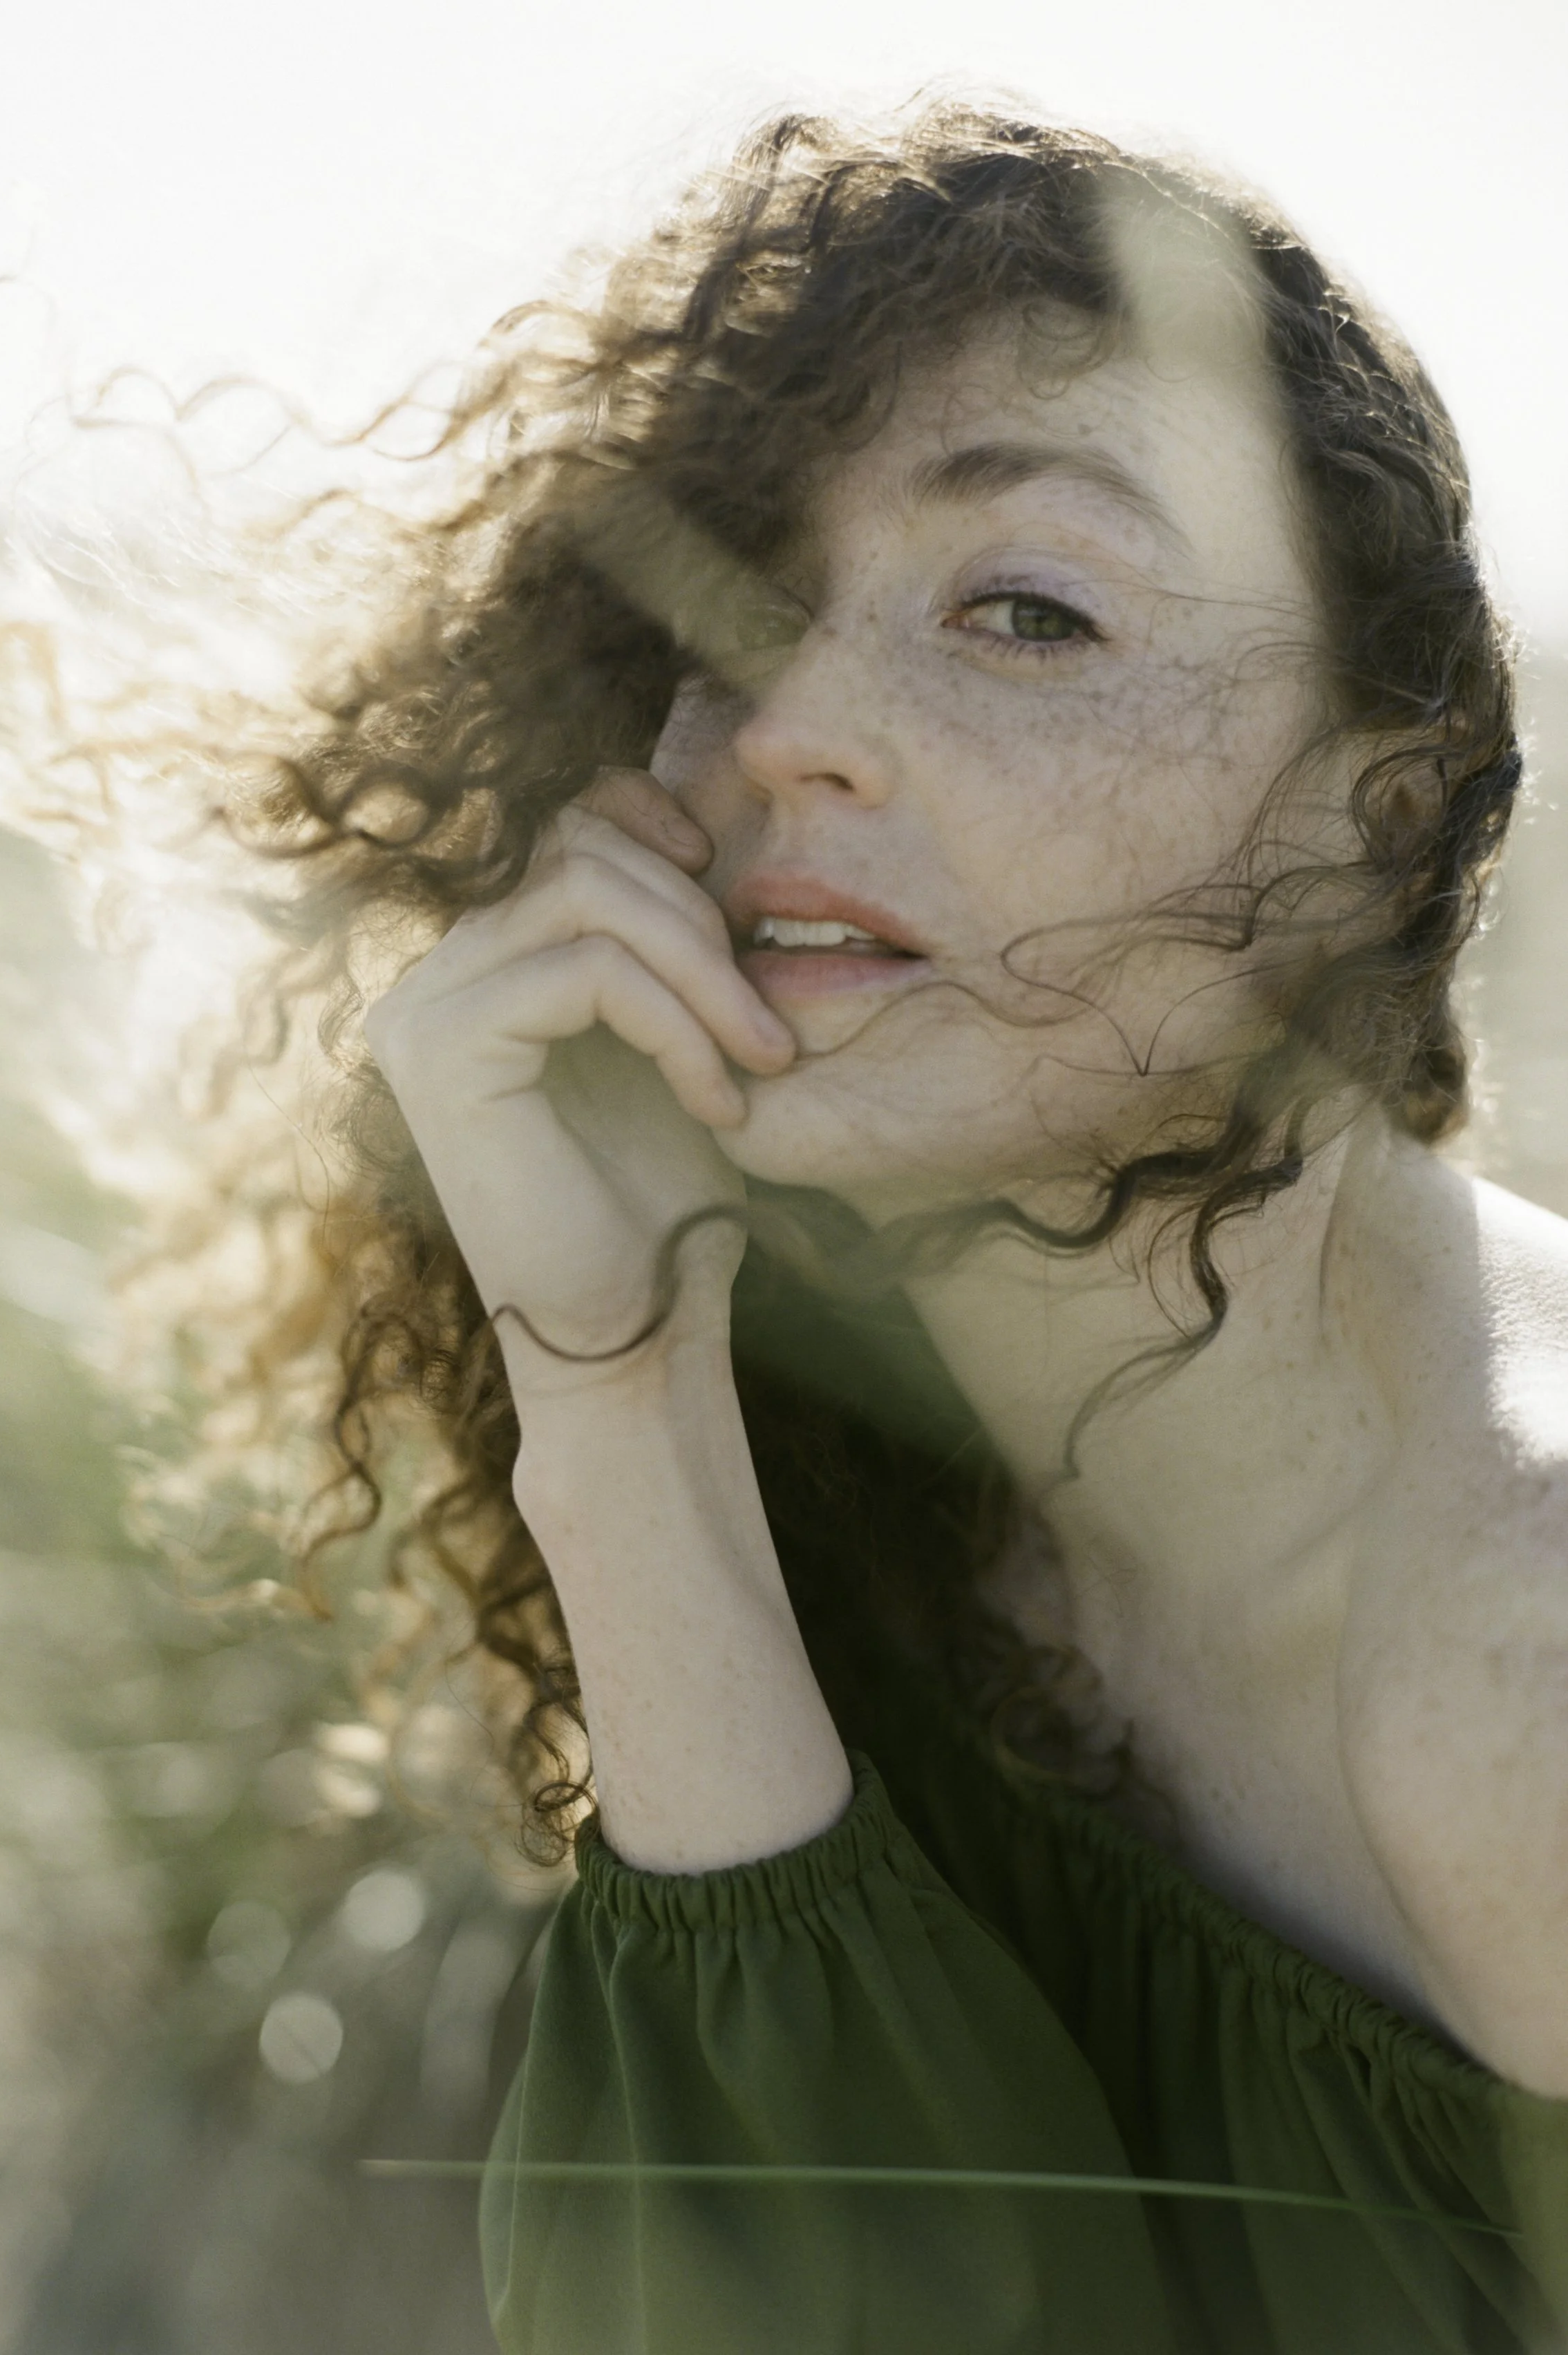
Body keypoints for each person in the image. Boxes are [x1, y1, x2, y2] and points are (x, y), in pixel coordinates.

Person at [232, 104, 1568, 2349]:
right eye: (734, 609)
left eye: (1026, 610)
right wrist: (612, 1380)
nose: (787, 733)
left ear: (1383, 813)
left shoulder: (1519, 1647)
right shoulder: (839, 1464)